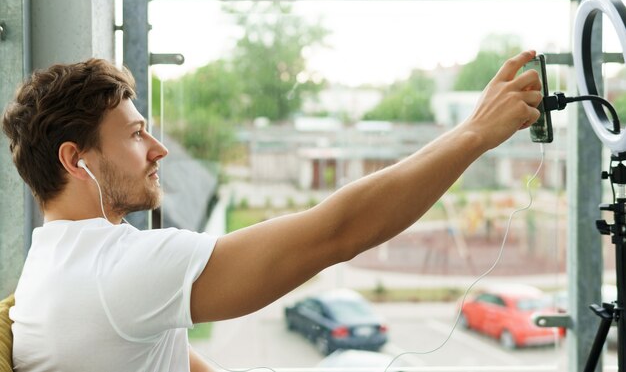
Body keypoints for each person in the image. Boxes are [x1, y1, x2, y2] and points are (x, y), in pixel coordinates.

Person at [1, 50, 542, 372]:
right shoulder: (116, 269)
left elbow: (165, 355)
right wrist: (475, 133)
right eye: (138, 134)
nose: (158, 149)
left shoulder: (57, 261)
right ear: (76, 160)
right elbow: (338, 233)